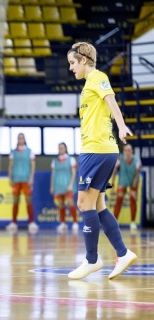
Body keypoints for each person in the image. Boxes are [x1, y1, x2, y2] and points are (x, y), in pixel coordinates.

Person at [66, 42, 137, 280]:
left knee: (84, 204)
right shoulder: (89, 84)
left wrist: (121, 125)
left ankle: (91, 259)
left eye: (72, 63)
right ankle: (123, 253)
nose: (70, 68)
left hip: (96, 151)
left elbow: (111, 101)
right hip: (97, 150)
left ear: (84, 61)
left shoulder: (97, 77)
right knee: (98, 206)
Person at [6, 133, 38, 234]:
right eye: (19, 137)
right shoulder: (13, 152)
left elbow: (33, 165)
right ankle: (14, 223)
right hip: (16, 179)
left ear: (24, 139)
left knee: (28, 200)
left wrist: (31, 177)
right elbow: (10, 166)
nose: (20, 139)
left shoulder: (29, 152)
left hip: (26, 179)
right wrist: (10, 177)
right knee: (15, 200)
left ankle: (31, 223)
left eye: (22, 137)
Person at [111, 143, 142, 230]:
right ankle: (114, 222)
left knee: (133, 199)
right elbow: (114, 171)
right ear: (123, 151)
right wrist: (112, 185)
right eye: (126, 150)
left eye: (130, 150)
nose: (128, 152)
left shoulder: (137, 160)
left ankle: (132, 222)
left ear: (132, 151)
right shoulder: (119, 158)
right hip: (123, 180)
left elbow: (136, 175)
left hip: (133, 180)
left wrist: (134, 188)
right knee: (119, 200)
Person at [50, 142, 79, 233]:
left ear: (66, 148)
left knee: (70, 202)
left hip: (67, 185)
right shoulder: (54, 161)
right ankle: (63, 223)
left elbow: (74, 173)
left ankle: (75, 222)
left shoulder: (71, 159)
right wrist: (52, 186)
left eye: (62, 147)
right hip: (58, 185)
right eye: (59, 148)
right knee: (60, 204)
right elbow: (53, 174)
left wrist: (71, 184)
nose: (61, 149)